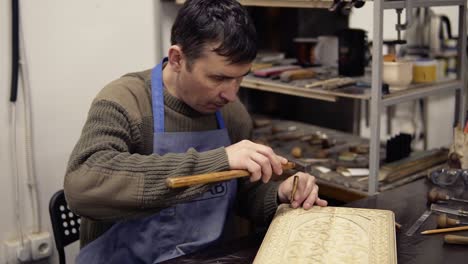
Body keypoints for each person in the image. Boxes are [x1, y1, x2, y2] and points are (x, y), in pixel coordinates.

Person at [64, 0, 327, 263]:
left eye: (240, 78)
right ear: (178, 58)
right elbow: (83, 185)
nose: (231, 93)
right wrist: (217, 162)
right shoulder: (126, 101)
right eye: (218, 78)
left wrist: (280, 193)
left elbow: (243, 193)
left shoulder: (233, 114)